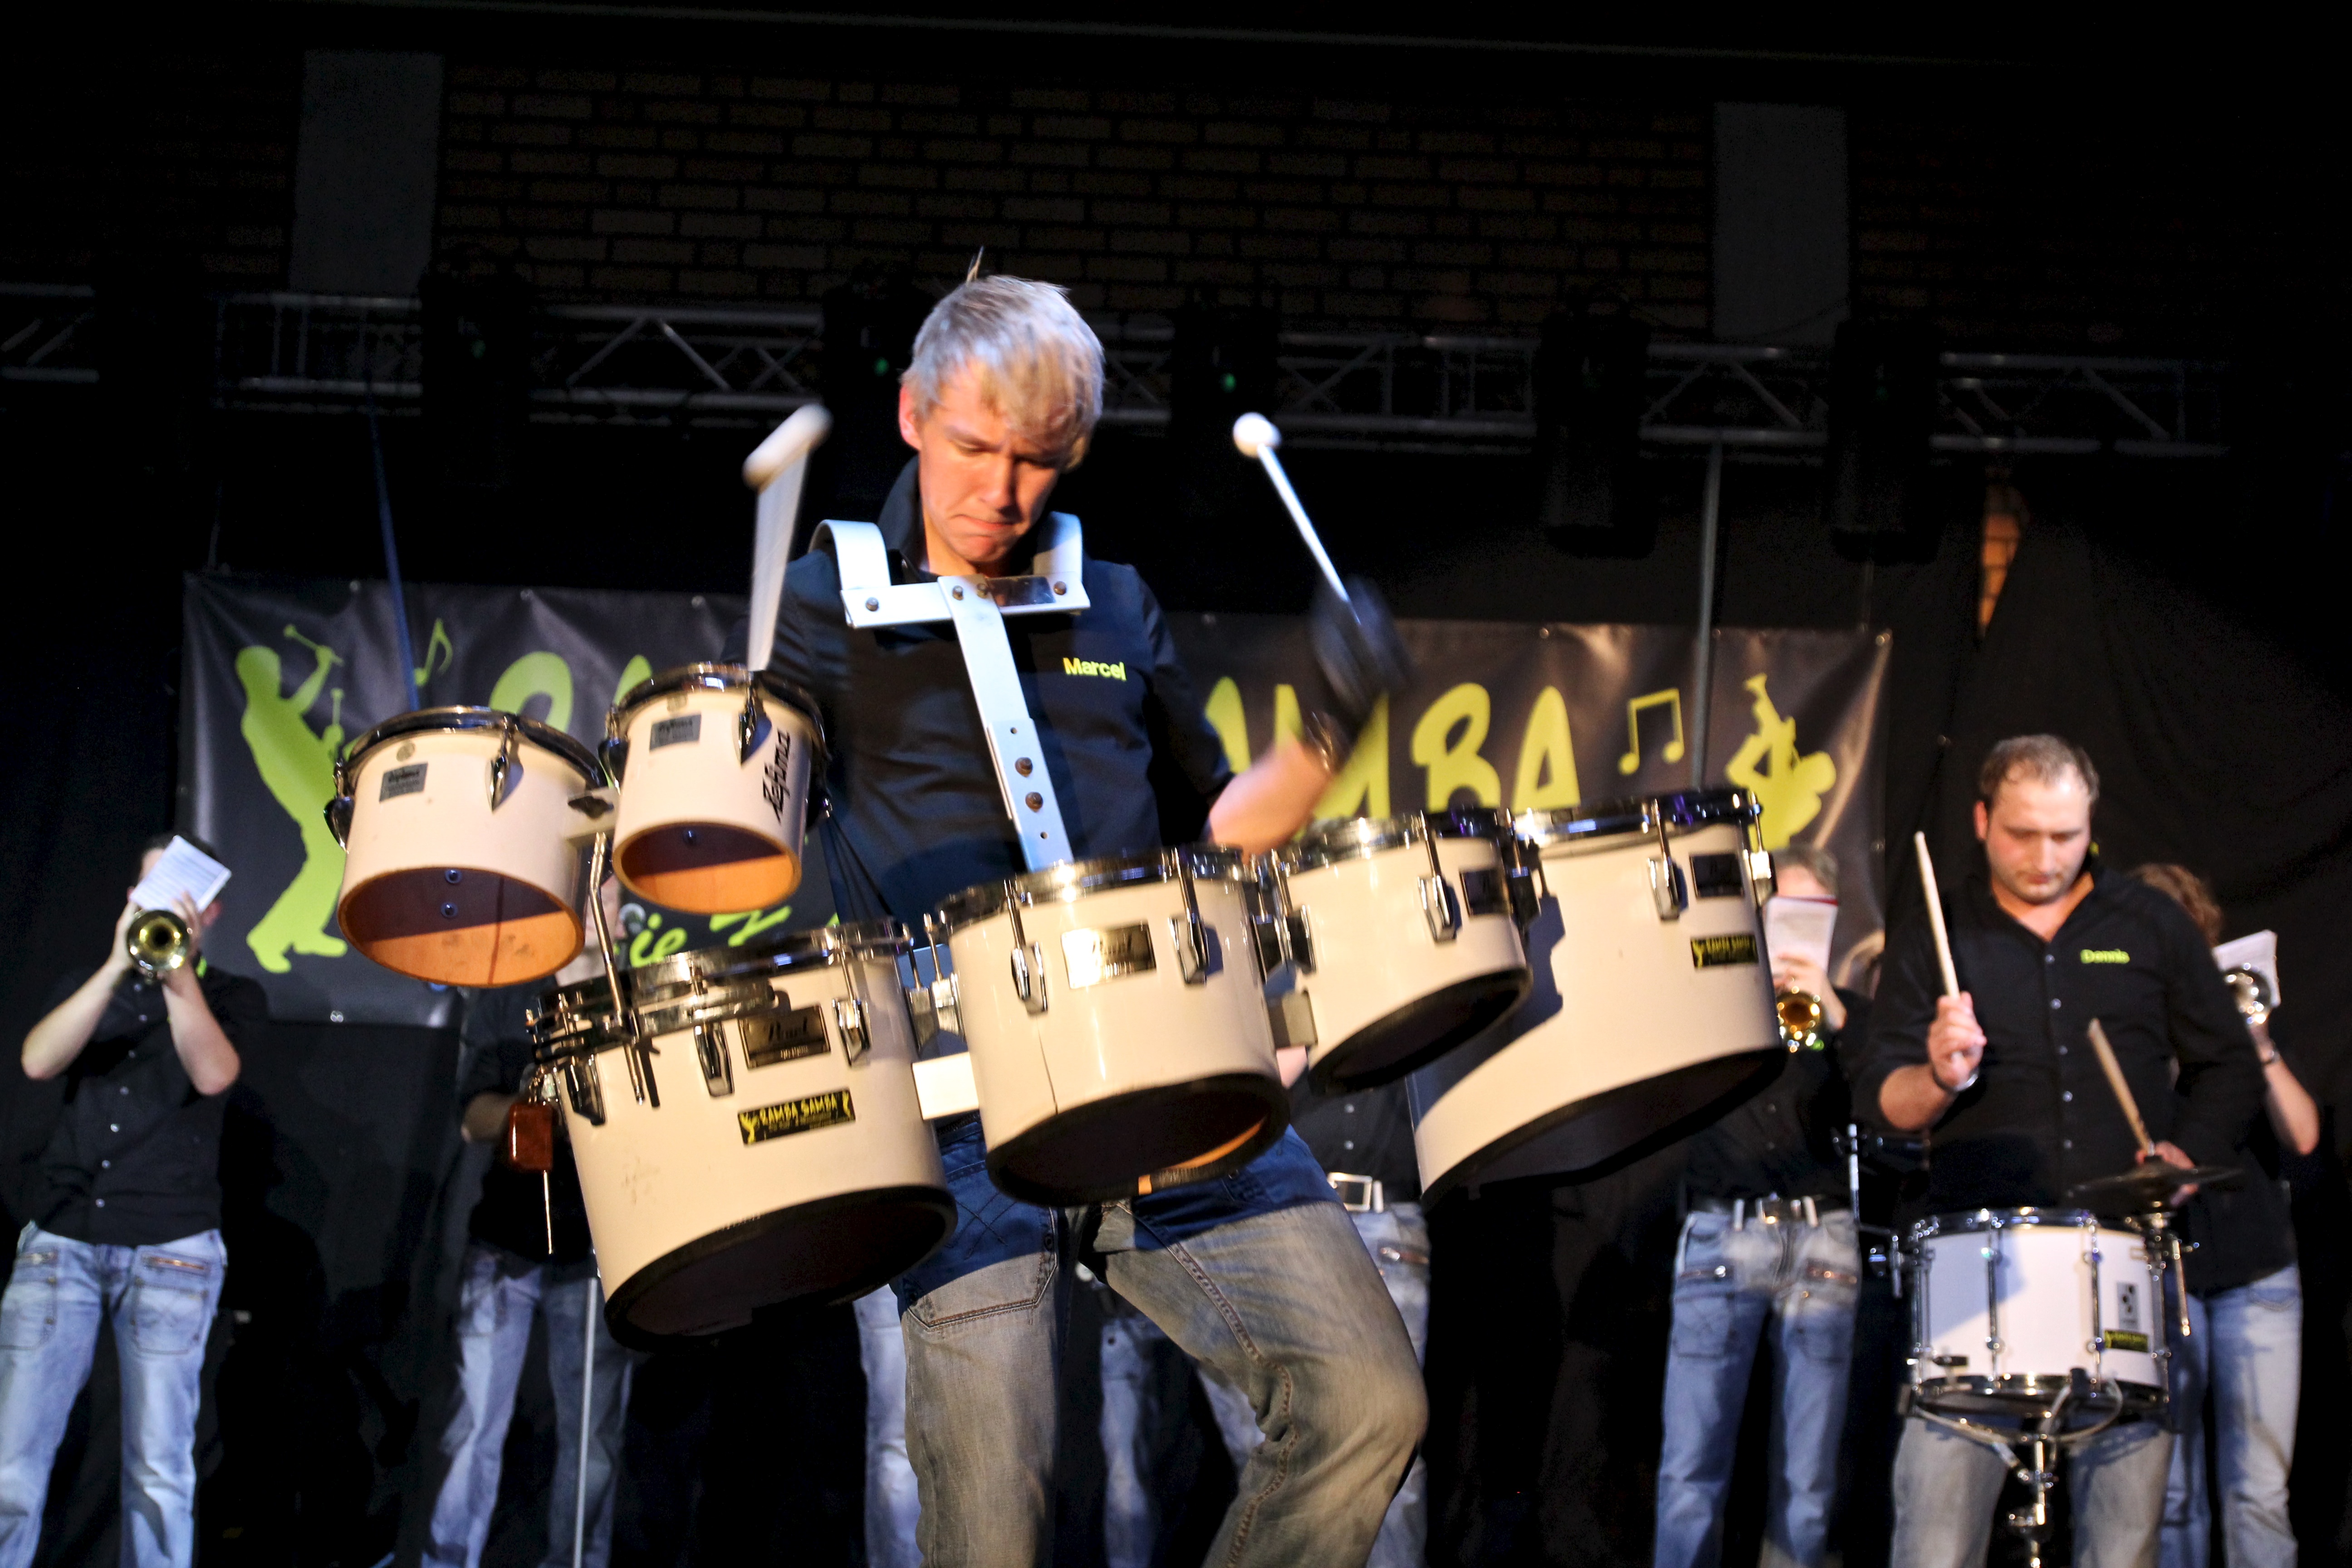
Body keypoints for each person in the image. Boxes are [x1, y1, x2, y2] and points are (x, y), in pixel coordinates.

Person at [762, 272, 1426, 1567]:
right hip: (957, 1108)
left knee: (1368, 1398)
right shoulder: (819, 603)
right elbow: (741, 850)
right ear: (911, 415)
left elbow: (1214, 831)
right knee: (993, 1520)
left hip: (1157, 1063)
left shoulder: (1111, 601)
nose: (1003, 493)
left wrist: (1334, 727)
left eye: (1040, 460)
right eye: (975, 448)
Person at [1860, 736, 2265, 1568]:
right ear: (1981, 821)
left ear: (2089, 825)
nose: (2044, 858)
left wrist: (2184, 1153)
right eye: (2022, 834)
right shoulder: (1935, 932)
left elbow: (2229, 1065)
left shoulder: (2147, 923)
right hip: (1976, 1282)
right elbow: (1883, 1102)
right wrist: (1938, 1077)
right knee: (1934, 1545)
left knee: (2122, 1548)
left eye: (2065, 836)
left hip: (2122, 1260)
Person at [0, 833, 266, 1568]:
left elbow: (214, 1075)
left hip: (171, 1249)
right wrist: (120, 963)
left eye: (180, 895)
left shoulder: (232, 996)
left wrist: (178, 976)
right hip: (63, 1239)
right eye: (150, 891)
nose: (162, 906)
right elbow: (37, 1060)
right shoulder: (88, 985)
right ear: (130, 899)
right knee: (13, 1468)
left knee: (159, 1472)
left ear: (208, 911)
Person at [1102, 1069, 1432, 1568]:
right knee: (1277, 1454)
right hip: (1249, 1199)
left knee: (1382, 1444)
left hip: (1367, 1216)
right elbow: (1253, 1074)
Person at [1650, 842, 1873, 1568]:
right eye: (1777, 914)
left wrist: (1833, 1012)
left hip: (1822, 1242)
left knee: (1808, 1483)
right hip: (1724, 1236)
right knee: (1691, 1472)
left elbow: (1885, 1106)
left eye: (1807, 915)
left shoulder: (1847, 1020)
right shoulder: (1707, 1004)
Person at [421, 888, 638, 1568]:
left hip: (599, 1247)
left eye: (611, 891)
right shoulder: (509, 989)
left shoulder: (635, 997)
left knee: (593, 1439)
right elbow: (472, 1117)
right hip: (507, 1241)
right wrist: (533, 1102)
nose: (600, 904)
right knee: (472, 1430)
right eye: (589, 888)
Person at [2128, 863, 2314, 1568]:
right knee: (2171, 1494)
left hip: (2257, 1276)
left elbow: (2303, 1136)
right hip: (2164, 1277)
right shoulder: (2128, 1036)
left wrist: (2257, 1042)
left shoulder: (2238, 1025)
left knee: (2258, 1492)